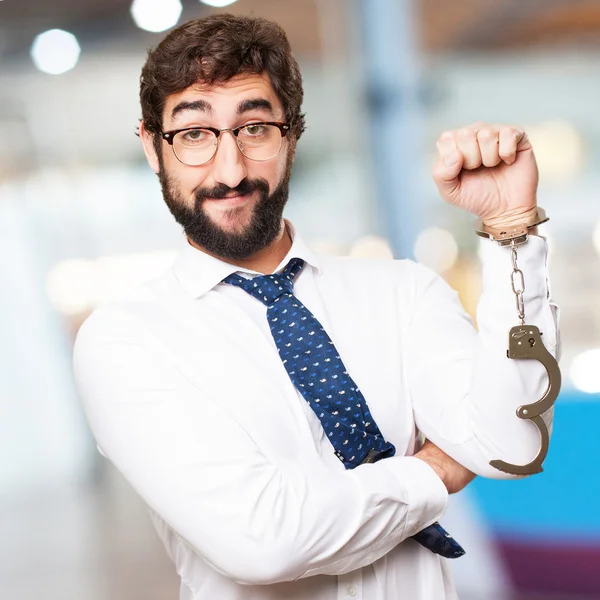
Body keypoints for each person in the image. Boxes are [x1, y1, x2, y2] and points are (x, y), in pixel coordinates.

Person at [73, 13, 558, 600]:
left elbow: (514, 444)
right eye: (195, 134)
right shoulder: (127, 341)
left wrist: (512, 231)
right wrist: (435, 470)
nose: (230, 172)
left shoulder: (403, 292)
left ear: (291, 135)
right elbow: (263, 542)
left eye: (255, 128)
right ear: (154, 148)